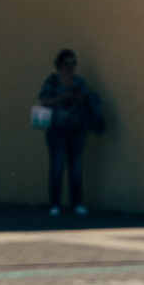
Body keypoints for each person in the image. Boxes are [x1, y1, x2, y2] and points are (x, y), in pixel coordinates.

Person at [34, 49, 101, 220]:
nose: (70, 67)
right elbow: (43, 99)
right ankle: (55, 204)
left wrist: (80, 98)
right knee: (57, 166)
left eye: (73, 64)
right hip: (57, 129)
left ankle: (77, 203)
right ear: (59, 65)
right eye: (66, 64)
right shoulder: (53, 82)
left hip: (76, 128)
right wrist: (63, 97)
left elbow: (88, 98)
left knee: (76, 167)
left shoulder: (79, 82)